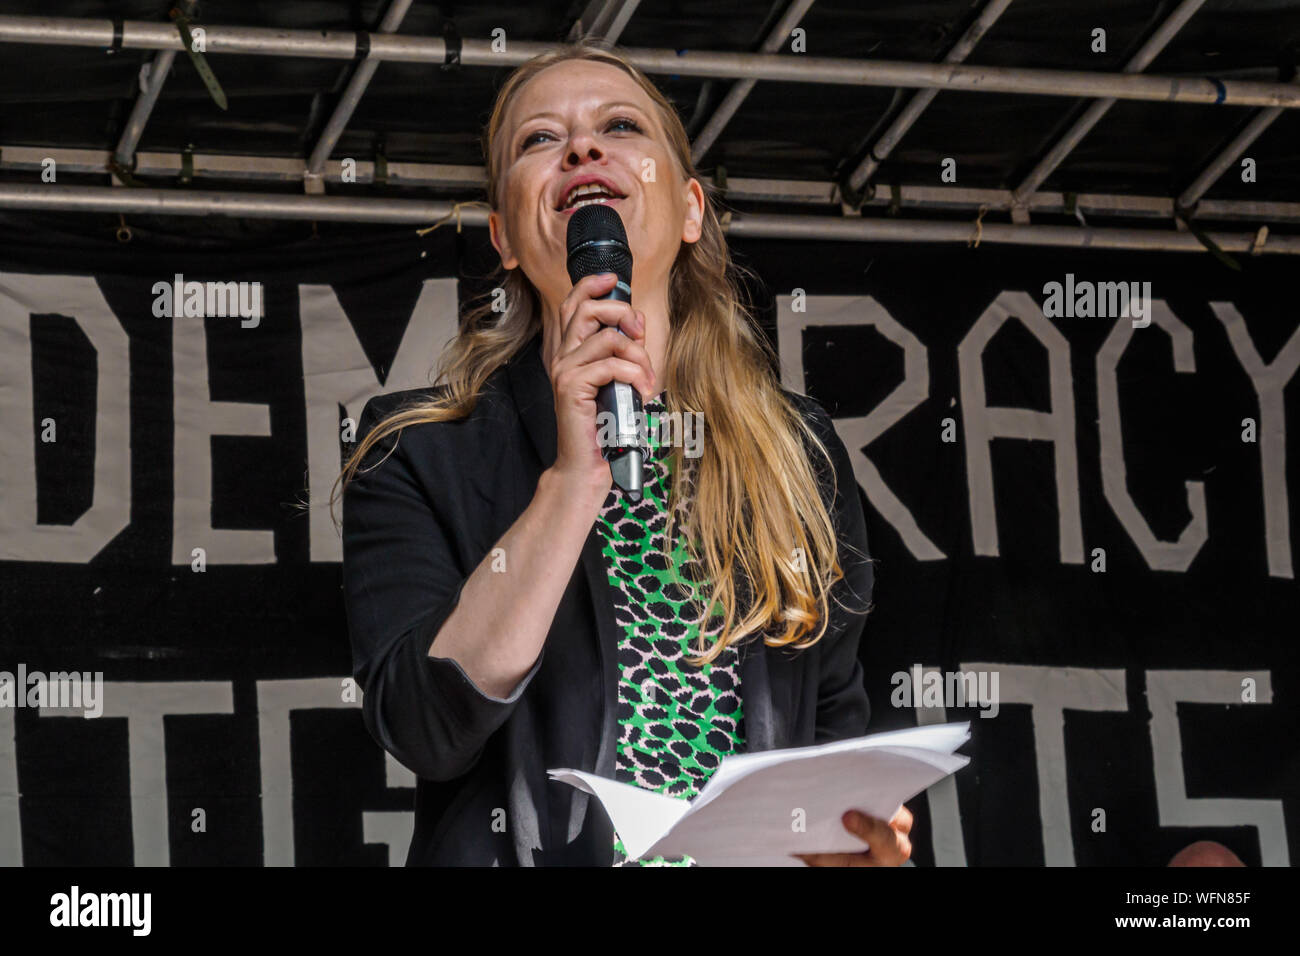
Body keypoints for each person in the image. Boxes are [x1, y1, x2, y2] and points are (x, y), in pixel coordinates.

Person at [336, 40, 912, 866]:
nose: (581, 148)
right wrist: (573, 484)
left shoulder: (798, 451)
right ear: (503, 235)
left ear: (688, 209)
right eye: (541, 140)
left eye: (620, 126)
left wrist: (853, 845)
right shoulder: (418, 450)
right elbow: (428, 729)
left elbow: (830, 733)